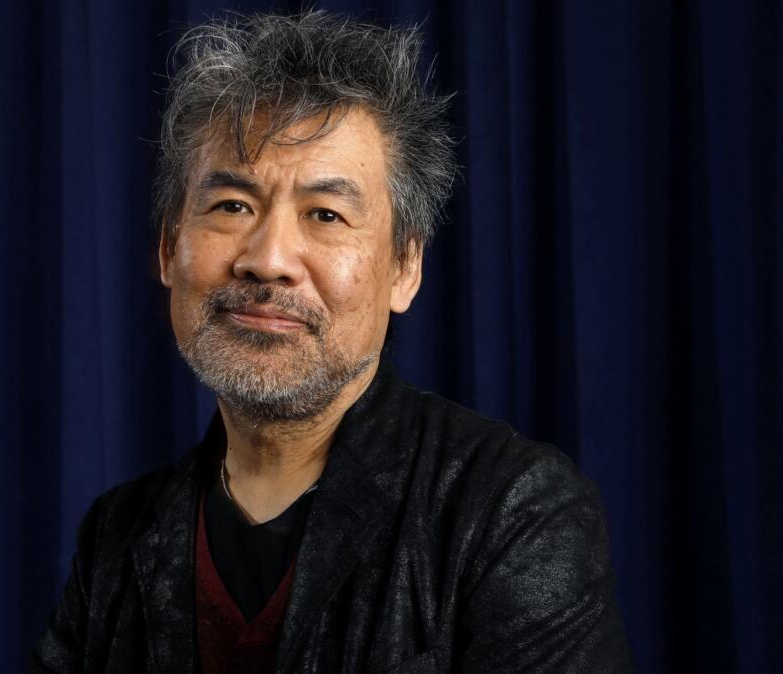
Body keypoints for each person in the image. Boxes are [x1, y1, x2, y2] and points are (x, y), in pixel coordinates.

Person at [32, 10, 631, 673]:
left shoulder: (511, 512)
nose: (268, 258)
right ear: (171, 249)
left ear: (405, 268)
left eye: (326, 215)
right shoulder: (117, 536)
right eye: (232, 205)